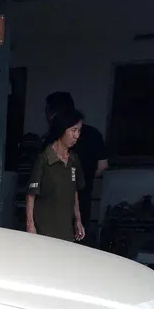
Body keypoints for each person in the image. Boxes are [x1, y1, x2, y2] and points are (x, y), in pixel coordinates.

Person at [44, 92, 108, 230]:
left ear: (54, 114)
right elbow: (103, 166)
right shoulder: (94, 134)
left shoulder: (53, 137)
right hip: (83, 199)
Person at [26, 109, 86, 242]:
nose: (77, 135)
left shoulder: (74, 160)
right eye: (73, 130)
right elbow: (31, 195)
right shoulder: (44, 159)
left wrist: (78, 220)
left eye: (79, 131)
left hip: (66, 231)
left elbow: (74, 191)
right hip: (44, 230)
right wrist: (30, 225)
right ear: (61, 130)